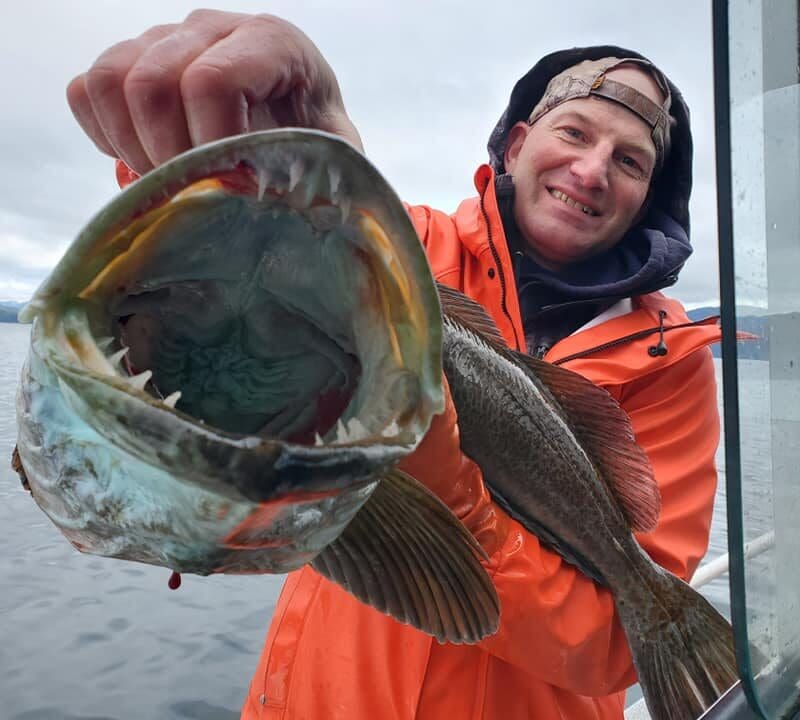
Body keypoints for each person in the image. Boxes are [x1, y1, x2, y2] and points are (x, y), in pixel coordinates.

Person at [67, 10, 723, 719]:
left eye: (630, 161)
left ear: (647, 196)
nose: (592, 171)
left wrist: (463, 505)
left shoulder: (674, 368)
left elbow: (612, 649)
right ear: (518, 143)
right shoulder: (398, 245)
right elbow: (238, 247)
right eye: (575, 133)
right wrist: (250, 138)